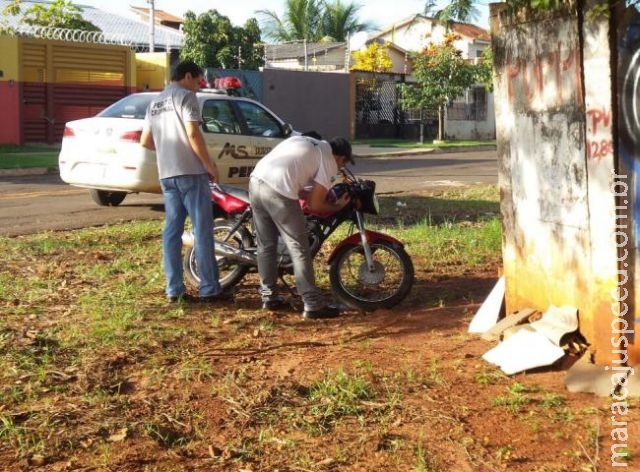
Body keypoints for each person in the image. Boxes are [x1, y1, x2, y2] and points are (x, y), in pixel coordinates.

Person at [140, 60, 231, 303]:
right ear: (187, 76)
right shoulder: (187, 98)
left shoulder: (155, 102)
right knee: (202, 230)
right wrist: (208, 164)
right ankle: (210, 289)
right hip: (191, 172)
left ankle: (174, 289)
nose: (199, 86)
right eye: (198, 80)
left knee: (172, 232)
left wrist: (169, 149)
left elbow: (145, 141)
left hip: (167, 174)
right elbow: (193, 133)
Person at [249, 134, 354, 319]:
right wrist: (337, 206)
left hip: (256, 181)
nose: (340, 169)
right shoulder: (329, 159)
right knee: (299, 248)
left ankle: (269, 297)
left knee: (266, 246)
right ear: (340, 157)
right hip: (278, 191)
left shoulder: (305, 141)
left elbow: (298, 180)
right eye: (342, 165)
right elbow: (315, 205)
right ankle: (313, 304)